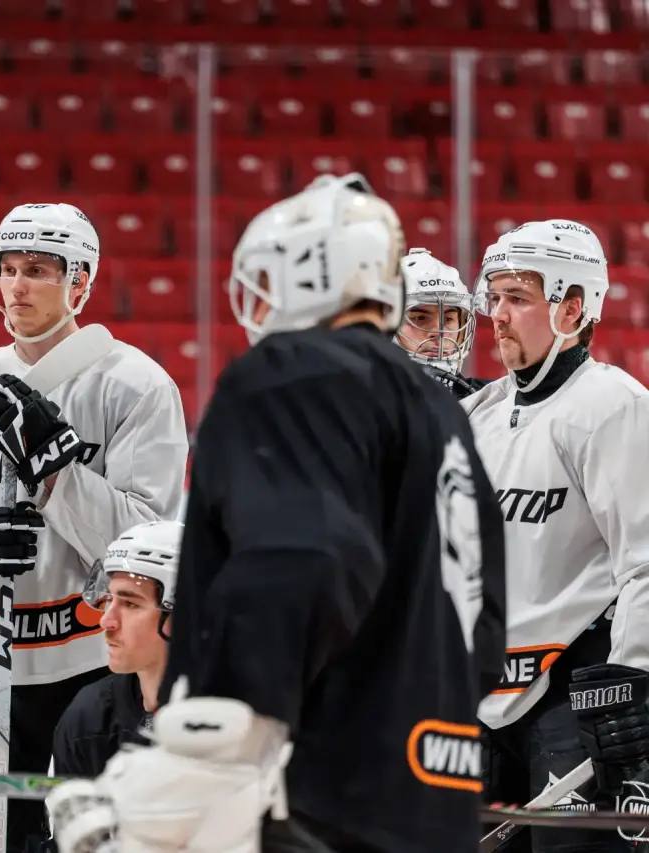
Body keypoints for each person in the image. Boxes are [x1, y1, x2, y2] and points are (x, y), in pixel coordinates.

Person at [47, 174, 507, 853]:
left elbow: (304, 561)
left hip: (313, 797)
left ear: (313, 272)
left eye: (270, 276)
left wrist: (185, 769)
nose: (259, 300)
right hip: (434, 793)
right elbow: (484, 631)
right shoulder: (443, 412)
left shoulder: (293, 372)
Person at [0, 202, 189, 852]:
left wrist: (57, 473)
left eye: (38, 270)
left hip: (99, 668)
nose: (17, 286)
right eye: (6, 269)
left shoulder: (136, 386)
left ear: (80, 281)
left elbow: (152, 547)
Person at [464, 219, 649, 851]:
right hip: (483, 700)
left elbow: (645, 563)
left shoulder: (611, 408)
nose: (499, 314)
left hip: (574, 698)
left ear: (572, 307)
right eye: (494, 297)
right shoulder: (480, 415)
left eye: (517, 297)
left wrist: (631, 680)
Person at [51, 520, 182, 779]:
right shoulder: (88, 718)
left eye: (130, 604)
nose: (106, 621)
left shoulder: (244, 723)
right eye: (109, 599)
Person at [394, 247, 486, 399]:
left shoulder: (490, 400)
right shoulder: (358, 400)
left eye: (449, 319)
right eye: (420, 318)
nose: (439, 332)